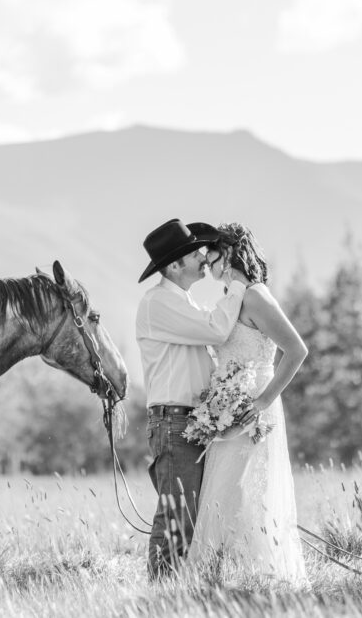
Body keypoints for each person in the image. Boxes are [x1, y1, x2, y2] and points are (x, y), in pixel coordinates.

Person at [187, 222, 309, 586]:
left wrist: (262, 401)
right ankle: (214, 581)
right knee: (224, 490)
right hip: (228, 409)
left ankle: (260, 581)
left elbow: (297, 350)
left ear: (229, 254)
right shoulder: (232, 297)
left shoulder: (255, 296)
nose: (207, 262)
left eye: (212, 254)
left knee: (244, 492)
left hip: (253, 408)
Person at [135, 218, 247, 579]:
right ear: (174, 265)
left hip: (188, 422)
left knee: (184, 515)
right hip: (174, 422)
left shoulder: (179, 301)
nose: (202, 257)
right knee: (178, 516)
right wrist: (239, 289)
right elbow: (216, 330)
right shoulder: (158, 303)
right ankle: (161, 594)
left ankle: (168, 592)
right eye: (192, 253)